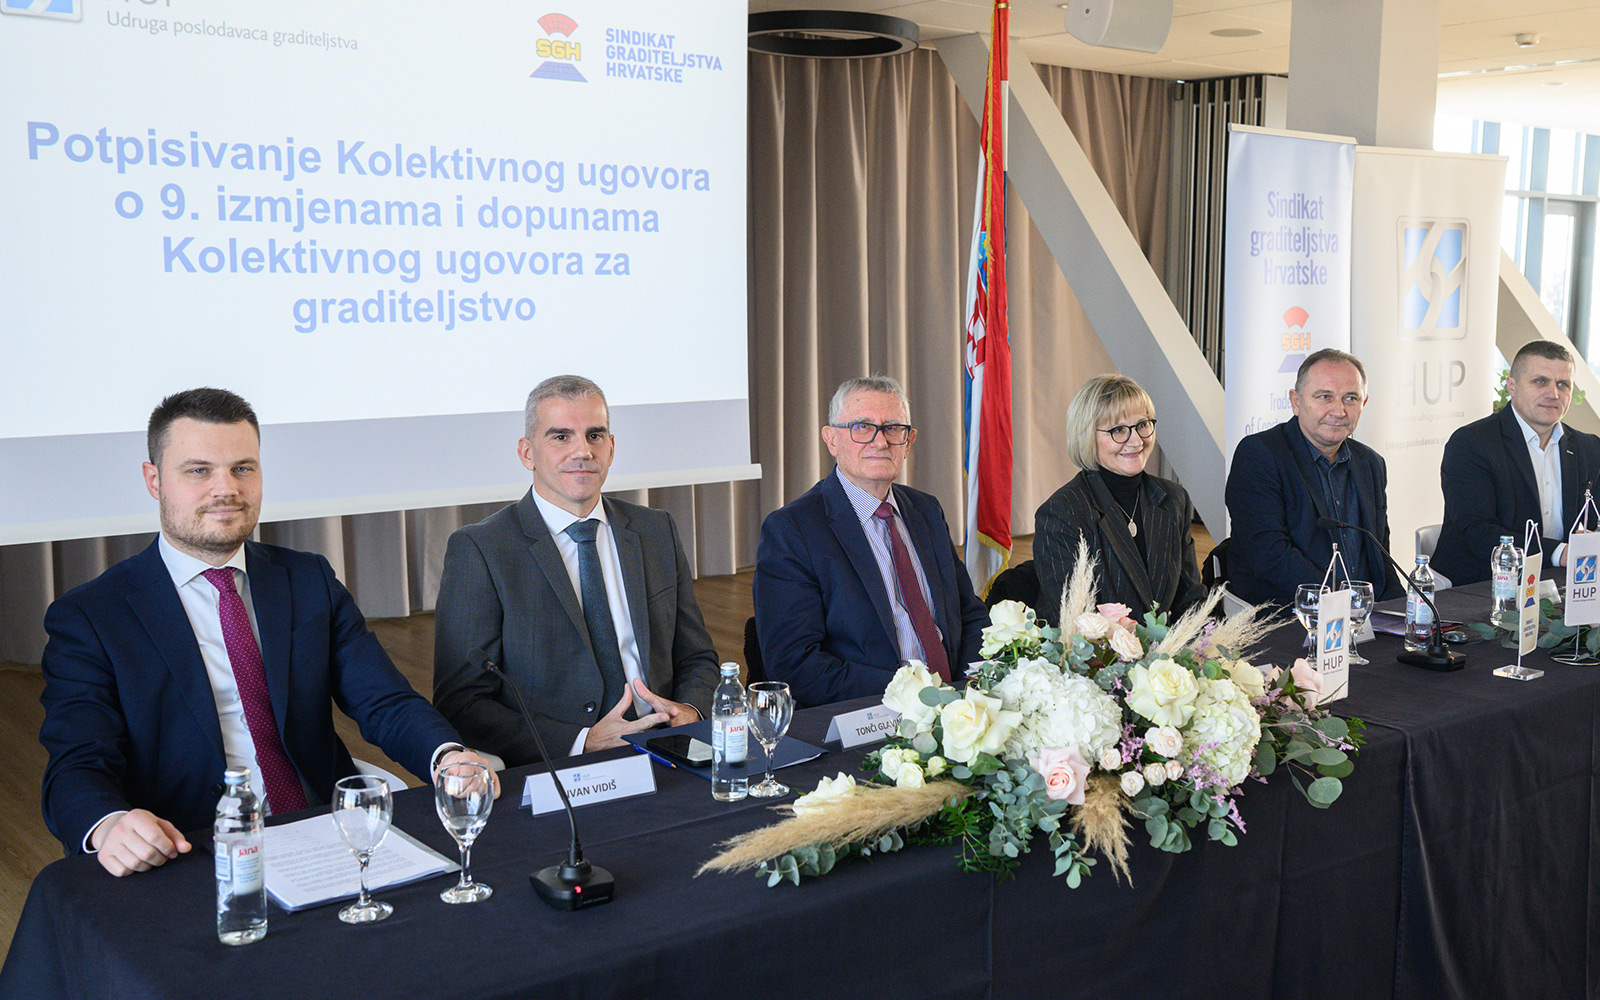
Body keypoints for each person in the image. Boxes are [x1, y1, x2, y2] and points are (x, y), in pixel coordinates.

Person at [39, 388, 497, 877]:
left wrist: (447, 756)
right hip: (188, 851)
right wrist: (109, 824)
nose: (226, 489)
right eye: (199, 471)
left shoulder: (307, 578)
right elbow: (77, 763)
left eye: (242, 468)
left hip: (324, 830)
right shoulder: (92, 615)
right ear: (154, 480)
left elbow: (383, 700)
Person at [433, 375, 717, 766]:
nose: (582, 451)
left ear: (611, 448)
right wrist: (582, 741)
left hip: (668, 749)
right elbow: (461, 702)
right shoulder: (481, 549)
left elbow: (697, 656)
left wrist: (689, 711)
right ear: (527, 453)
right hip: (564, 764)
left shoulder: (655, 530)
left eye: (594, 436)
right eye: (561, 437)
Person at [753, 375, 989, 707]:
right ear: (832, 440)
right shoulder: (792, 530)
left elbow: (970, 615)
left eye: (893, 428)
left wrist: (970, 689)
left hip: (958, 708)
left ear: (909, 442)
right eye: (862, 427)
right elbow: (796, 665)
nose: (880, 442)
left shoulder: (926, 510)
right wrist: (918, 697)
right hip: (869, 714)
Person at [1224, 349, 1404, 606]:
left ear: (1363, 404)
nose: (1339, 411)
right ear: (1296, 402)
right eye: (1324, 397)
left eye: (1350, 398)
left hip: (1364, 613)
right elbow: (1267, 554)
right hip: (1290, 611)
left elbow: (1380, 554)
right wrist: (1342, 604)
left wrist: (1401, 607)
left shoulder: (1371, 463)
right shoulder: (1260, 454)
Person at [1034, 375, 1206, 626]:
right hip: (1097, 651)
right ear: (1086, 436)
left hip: (1171, 649)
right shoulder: (1061, 513)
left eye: (1142, 425)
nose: (1136, 441)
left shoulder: (1174, 499)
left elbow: (1191, 599)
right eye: (1118, 430)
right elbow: (1076, 623)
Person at [1432, 340, 1600, 585]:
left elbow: (1592, 522)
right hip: (1480, 585)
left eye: (1563, 384)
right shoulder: (1471, 443)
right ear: (1512, 386)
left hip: (1565, 584)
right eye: (1540, 381)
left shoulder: (1589, 448)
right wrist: (1560, 552)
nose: (1553, 394)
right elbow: (1477, 531)